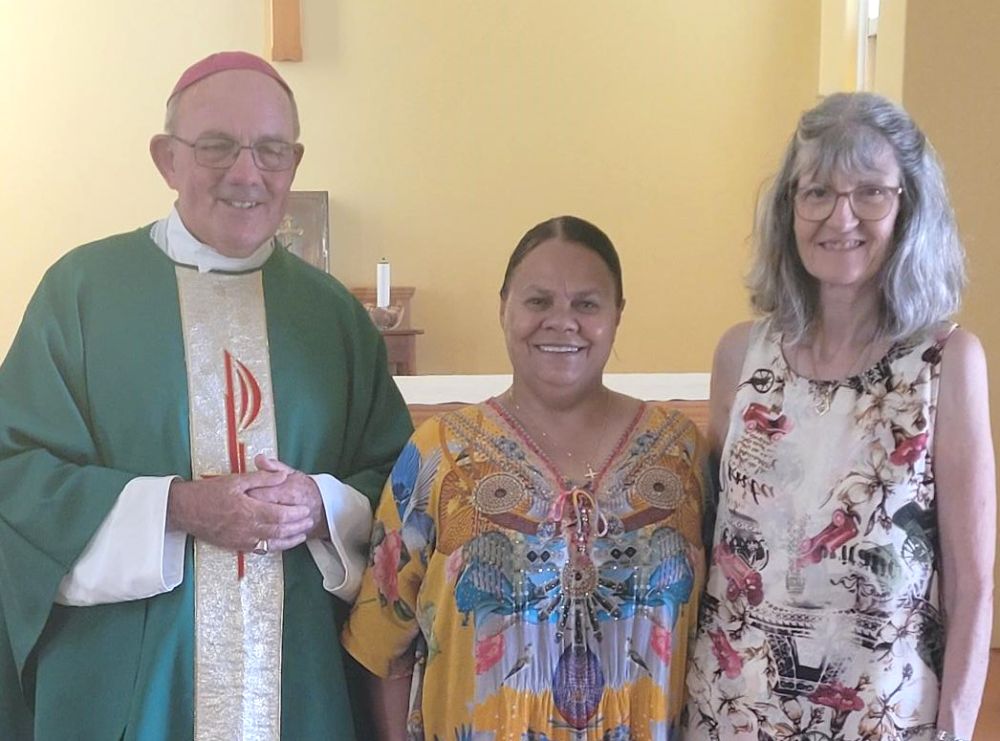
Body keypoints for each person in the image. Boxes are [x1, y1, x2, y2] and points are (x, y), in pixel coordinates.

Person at [0, 51, 413, 739]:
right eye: (217, 146)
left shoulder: (334, 317)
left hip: (301, 686)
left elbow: (407, 491)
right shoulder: (81, 292)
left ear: (294, 161)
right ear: (167, 158)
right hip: (127, 684)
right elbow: (15, 477)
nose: (247, 173)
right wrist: (176, 507)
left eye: (271, 150)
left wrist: (323, 505)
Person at [685, 92, 995, 741]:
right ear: (789, 209)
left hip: (883, 716)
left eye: (870, 193)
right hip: (731, 711)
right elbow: (712, 545)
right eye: (818, 191)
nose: (840, 216)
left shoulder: (946, 364)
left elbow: (971, 582)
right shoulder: (740, 355)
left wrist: (957, 727)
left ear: (907, 206)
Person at [342, 215, 706, 739]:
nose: (562, 322)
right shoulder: (440, 454)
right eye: (538, 302)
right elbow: (382, 643)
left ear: (617, 315)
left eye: (587, 303)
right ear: (504, 308)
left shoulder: (681, 453)